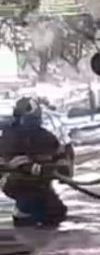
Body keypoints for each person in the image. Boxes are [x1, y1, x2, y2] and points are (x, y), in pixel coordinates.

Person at [0, 97, 72, 228]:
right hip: (16, 182)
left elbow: (60, 154)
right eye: (29, 119)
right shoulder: (9, 136)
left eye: (34, 119)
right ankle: (22, 215)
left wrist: (63, 168)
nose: (32, 123)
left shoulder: (45, 136)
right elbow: (11, 160)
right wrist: (33, 168)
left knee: (57, 212)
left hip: (40, 184)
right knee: (28, 208)